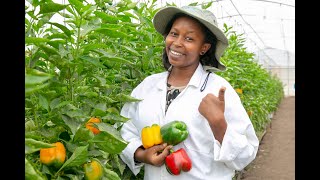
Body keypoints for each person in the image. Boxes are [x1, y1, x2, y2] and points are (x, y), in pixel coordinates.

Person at [118, 5, 259, 180]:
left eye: (189, 38)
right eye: (174, 34)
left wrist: (219, 124)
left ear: (204, 48)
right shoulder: (148, 86)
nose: (177, 43)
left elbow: (245, 155)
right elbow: (124, 128)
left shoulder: (218, 90)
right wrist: (141, 154)